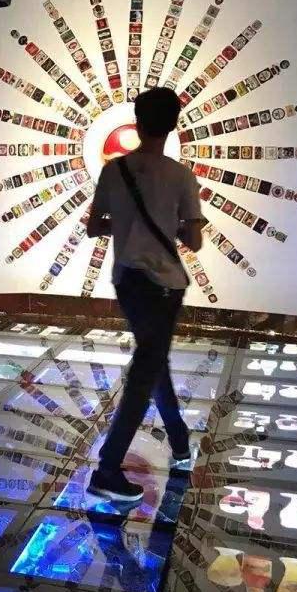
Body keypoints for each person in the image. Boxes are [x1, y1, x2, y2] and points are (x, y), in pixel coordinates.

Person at [85, 87, 207, 503]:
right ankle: (106, 470)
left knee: (154, 363)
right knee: (145, 371)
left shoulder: (114, 171)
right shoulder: (180, 176)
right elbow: (194, 240)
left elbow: (95, 227)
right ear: (173, 126)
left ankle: (180, 444)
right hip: (164, 286)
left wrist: (126, 224)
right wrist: (171, 224)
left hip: (127, 282)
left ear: (137, 122)